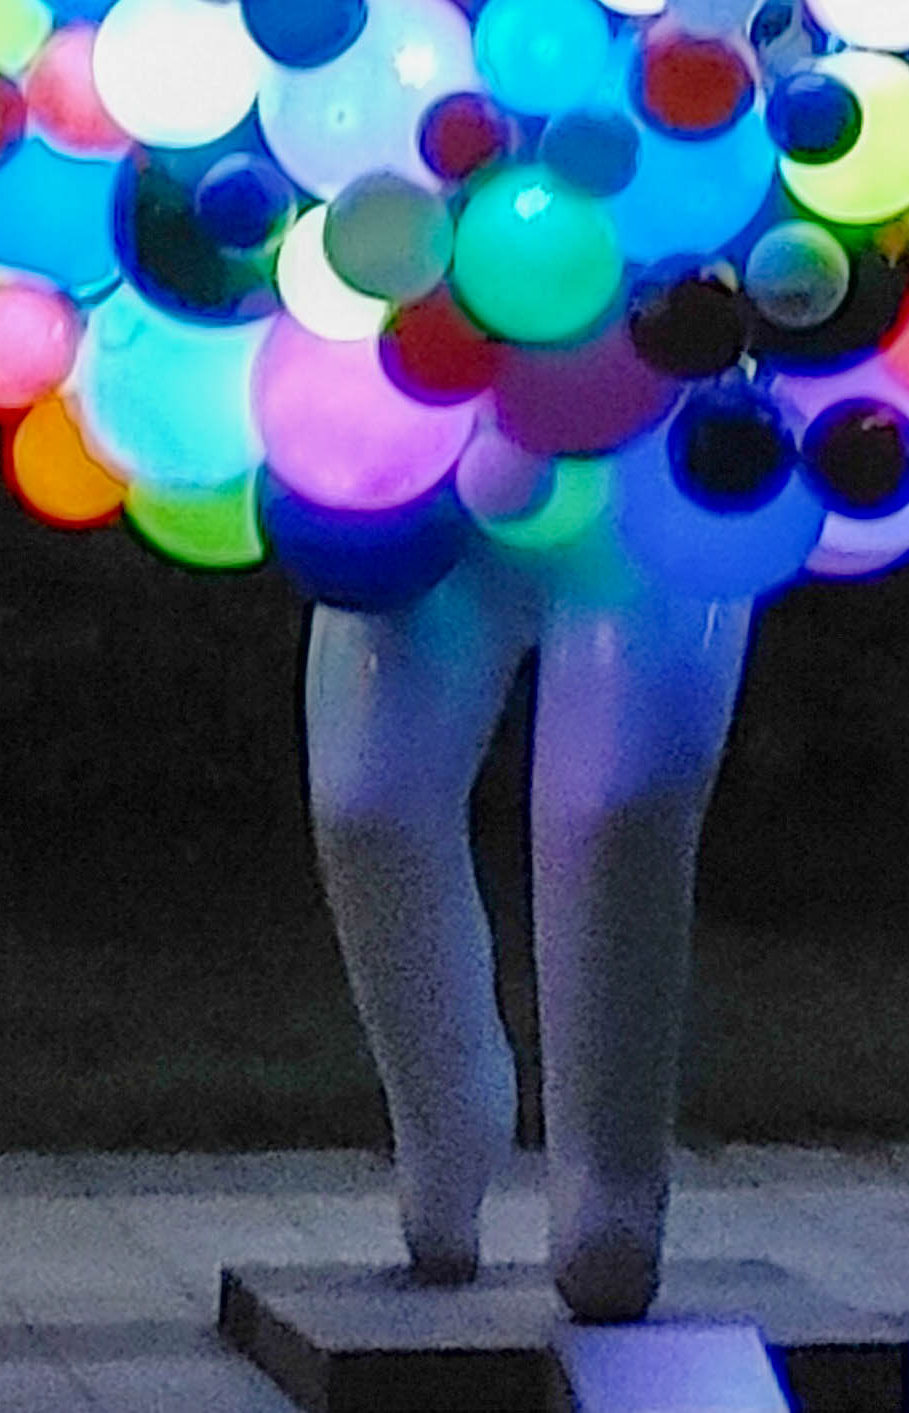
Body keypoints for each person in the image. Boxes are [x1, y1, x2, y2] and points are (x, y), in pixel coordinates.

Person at [304, 548, 758, 1323]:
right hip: (439, 499)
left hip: (645, 505)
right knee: (366, 802)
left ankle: (609, 1180)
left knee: (616, 806)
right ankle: (447, 1119)